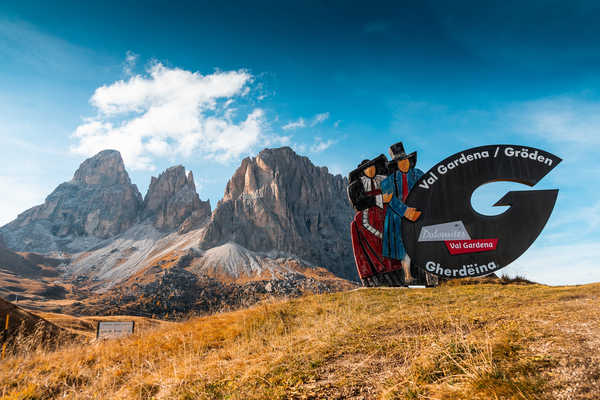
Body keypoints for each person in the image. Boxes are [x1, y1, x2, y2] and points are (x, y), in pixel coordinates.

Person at [348, 155, 404, 286]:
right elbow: (358, 203)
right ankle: (378, 275)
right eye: (367, 169)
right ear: (363, 171)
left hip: (386, 213)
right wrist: (379, 199)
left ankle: (398, 271)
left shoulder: (383, 179)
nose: (371, 170)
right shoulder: (357, 185)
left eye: (372, 167)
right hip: (368, 217)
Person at [381, 142, 424, 283]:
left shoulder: (419, 174)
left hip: (417, 214)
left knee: (421, 242)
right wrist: (405, 211)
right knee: (403, 245)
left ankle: (422, 272)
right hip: (398, 216)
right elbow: (390, 199)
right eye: (400, 161)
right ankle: (407, 275)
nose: (404, 164)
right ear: (396, 164)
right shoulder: (388, 182)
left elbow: (426, 191)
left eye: (405, 160)